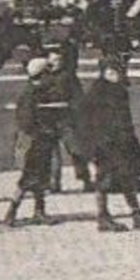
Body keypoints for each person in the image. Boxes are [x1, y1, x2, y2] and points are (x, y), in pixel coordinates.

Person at [77, 56, 140, 232]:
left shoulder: (120, 90)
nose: (115, 75)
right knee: (105, 180)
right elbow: (85, 121)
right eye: (110, 72)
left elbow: (125, 120)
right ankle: (104, 217)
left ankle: (136, 215)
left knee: (126, 178)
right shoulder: (97, 93)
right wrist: (94, 144)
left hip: (121, 143)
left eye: (117, 72)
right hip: (104, 145)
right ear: (103, 73)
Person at [5, 58, 60, 227]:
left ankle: (39, 212)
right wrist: (45, 129)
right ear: (41, 75)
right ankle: (11, 213)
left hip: (42, 141)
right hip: (34, 143)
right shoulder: (30, 94)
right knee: (28, 178)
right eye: (48, 74)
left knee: (41, 178)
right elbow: (27, 122)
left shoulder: (41, 91)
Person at [42, 44, 91, 192]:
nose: (54, 63)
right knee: (52, 153)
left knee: (76, 150)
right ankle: (54, 182)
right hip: (48, 120)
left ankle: (85, 179)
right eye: (52, 60)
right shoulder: (43, 77)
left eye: (58, 60)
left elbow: (78, 97)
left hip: (66, 118)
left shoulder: (69, 77)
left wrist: (75, 111)